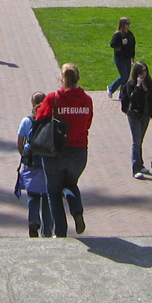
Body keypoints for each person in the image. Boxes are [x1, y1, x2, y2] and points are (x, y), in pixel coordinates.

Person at [36, 63, 93, 238]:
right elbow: (88, 122)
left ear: (62, 79)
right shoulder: (87, 100)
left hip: (55, 151)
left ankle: (60, 233)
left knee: (53, 192)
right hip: (79, 152)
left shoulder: (53, 98)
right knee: (70, 183)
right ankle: (77, 212)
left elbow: (39, 120)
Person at [16, 92, 53, 237]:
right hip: (48, 163)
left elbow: (19, 143)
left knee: (33, 195)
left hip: (32, 164)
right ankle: (47, 231)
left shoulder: (27, 121)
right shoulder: (51, 119)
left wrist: (25, 157)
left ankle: (33, 220)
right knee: (48, 197)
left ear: (32, 104)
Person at [121, 61, 152, 179]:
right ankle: (136, 168)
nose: (143, 74)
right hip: (134, 116)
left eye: (145, 71)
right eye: (140, 72)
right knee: (136, 142)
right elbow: (132, 99)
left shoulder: (149, 83)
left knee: (140, 141)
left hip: (145, 115)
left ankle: (140, 164)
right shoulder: (131, 84)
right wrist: (138, 86)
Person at [106, 17, 135, 99]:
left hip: (128, 57)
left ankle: (123, 95)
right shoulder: (118, 34)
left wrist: (132, 56)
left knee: (126, 78)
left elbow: (132, 45)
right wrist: (121, 43)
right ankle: (111, 88)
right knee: (124, 76)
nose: (129, 25)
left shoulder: (130, 34)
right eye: (127, 24)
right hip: (120, 58)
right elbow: (113, 44)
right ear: (122, 24)